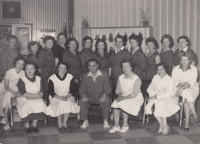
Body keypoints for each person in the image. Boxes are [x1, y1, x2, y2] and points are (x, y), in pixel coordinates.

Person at [109, 59, 144, 133]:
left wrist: (123, 98)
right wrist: (119, 95)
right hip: (123, 96)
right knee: (115, 103)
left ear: (131, 67)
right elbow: (118, 90)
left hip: (135, 98)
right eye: (123, 67)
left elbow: (134, 94)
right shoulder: (120, 77)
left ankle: (125, 125)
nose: (125, 69)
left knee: (123, 103)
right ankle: (116, 126)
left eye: (127, 66)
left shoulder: (136, 79)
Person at [145, 63, 180, 135]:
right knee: (158, 102)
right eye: (158, 69)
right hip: (157, 97)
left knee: (160, 102)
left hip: (170, 99)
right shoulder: (155, 77)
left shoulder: (170, 80)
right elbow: (149, 88)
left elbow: (169, 94)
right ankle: (163, 125)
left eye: (161, 69)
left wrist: (156, 96)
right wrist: (153, 95)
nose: (159, 71)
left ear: (166, 70)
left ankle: (163, 126)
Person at [79, 59, 111, 129]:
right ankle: (85, 121)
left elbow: (108, 88)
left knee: (106, 100)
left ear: (97, 66)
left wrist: (104, 95)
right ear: (88, 67)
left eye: (94, 65)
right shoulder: (84, 76)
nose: (92, 68)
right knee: (82, 101)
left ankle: (105, 121)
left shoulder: (104, 75)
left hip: (101, 96)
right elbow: (81, 90)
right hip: (89, 97)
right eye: (90, 66)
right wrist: (83, 96)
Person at [48, 62, 80, 132]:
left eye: (65, 68)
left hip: (68, 95)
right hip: (56, 97)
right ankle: (59, 123)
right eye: (61, 68)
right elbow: (51, 92)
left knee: (67, 103)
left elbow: (72, 91)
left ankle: (65, 123)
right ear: (57, 69)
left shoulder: (70, 77)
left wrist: (66, 96)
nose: (63, 70)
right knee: (61, 103)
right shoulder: (52, 78)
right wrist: (60, 97)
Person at [16, 62, 47, 134]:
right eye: (27, 69)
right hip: (24, 98)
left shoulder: (39, 79)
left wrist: (37, 96)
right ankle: (26, 125)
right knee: (27, 104)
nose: (29, 70)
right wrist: (35, 96)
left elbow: (42, 91)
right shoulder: (21, 80)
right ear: (25, 70)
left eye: (31, 68)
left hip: (36, 97)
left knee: (40, 103)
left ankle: (34, 125)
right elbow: (23, 93)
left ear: (35, 70)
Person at [172, 52, 199, 132]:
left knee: (186, 94)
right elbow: (175, 81)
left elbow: (191, 83)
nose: (184, 62)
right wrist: (182, 87)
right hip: (178, 88)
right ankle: (194, 114)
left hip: (192, 88)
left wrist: (182, 87)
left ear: (190, 60)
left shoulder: (194, 69)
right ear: (180, 60)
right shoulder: (176, 68)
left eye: (186, 60)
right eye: (182, 59)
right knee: (186, 93)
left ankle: (187, 121)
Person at [0, 56, 25, 130]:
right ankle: (5, 118)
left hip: (13, 87)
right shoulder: (9, 72)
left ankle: (5, 120)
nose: (20, 66)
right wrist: (15, 93)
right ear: (15, 63)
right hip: (3, 87)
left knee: (8, 96)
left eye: (22, 64)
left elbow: (21, 84)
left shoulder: (23, 73)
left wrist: (18, 92)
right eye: (18, 63)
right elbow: (6, 86)